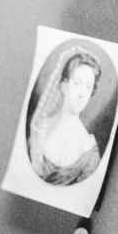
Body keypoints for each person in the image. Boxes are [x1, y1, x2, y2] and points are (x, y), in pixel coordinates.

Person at [26, 49, 104, 186]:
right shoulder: (40, 128)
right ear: (64, 86)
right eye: (77, 83)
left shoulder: (89, 152)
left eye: (88, 87)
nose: (81, 94)